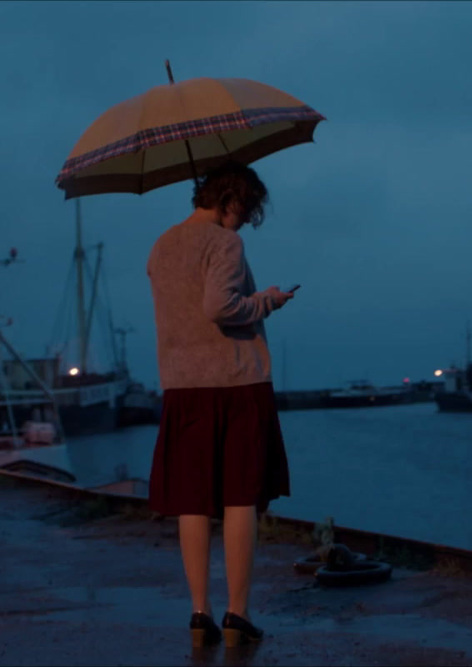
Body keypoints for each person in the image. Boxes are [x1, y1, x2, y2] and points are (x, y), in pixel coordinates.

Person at [145, 161, 295, 648]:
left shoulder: (162, 245)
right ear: (231, 198)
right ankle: (237, 613)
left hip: (182, 387)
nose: (244, 219)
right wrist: (267, 300)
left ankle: (198, 612)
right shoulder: (225, 243)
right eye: (245, 208)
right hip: (234, 382)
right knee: (239, 498)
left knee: (193, 500)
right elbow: (221, 306)